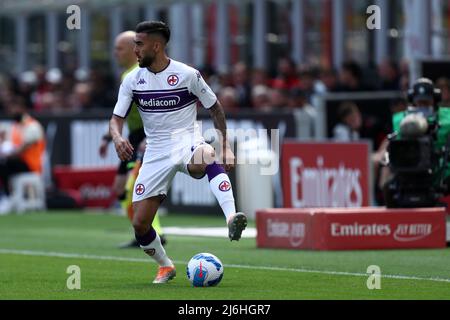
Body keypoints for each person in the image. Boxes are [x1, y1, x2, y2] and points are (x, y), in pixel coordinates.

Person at [109, 21, 247, 284]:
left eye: (139, 44)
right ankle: (165, 266)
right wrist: (116, 137)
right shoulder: (132, 80)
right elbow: (116, 118)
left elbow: (215, 107)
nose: (135, 50)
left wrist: (225, 146)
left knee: (207, 155)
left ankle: (231, 216)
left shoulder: (187, 75)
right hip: (156, 151)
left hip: (186, 142)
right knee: (140, 225)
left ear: (156, 45)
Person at [99, 31, 166, 248]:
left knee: (135, 186)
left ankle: (152, 233)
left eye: (119, 48)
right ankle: (143, 231)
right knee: (120, 189)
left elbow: (159, 107)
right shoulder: (127, 75)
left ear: (132, 48)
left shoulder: (143, 73)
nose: (115, 53)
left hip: (149, 136)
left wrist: (151, 137)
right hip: (134, 137)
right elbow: (122, 113)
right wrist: (108, 137)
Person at [0, 100, 46, 213]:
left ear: (22, 109)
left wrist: (8, 154)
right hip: (18, 162)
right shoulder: (15, 127)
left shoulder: (33, 126)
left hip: (31, 164)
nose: (12, 112)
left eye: (14, 109)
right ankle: (9, 195)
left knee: (4, 165)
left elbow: (24, 148)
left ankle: (8, 197)